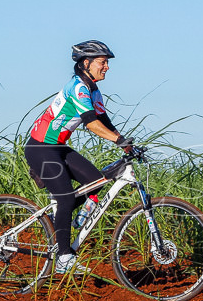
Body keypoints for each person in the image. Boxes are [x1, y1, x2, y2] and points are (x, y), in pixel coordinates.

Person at [24, 40, 132, 274]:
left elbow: (104, 121)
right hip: (40, 148)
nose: (107, 67)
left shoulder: (93, 90)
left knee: (95, 180)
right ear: (86, 63)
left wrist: (125, 143)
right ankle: (63, 257)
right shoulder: (78, 88)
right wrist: (118, 141)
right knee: (64, 199)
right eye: (103, 63)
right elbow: (92, 124)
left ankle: (62, 223)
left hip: (58, 147)